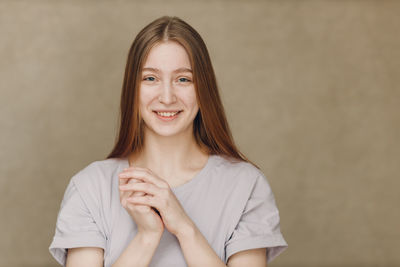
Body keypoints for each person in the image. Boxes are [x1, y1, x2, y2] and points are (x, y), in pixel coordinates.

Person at [49, 16, 288, 267]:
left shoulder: (247, 187)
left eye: (183, 79)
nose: (166, 97)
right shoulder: (89, 188)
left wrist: (185, 228)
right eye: (150, 78)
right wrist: (147, 237)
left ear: (203, 88)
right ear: (133, 88)